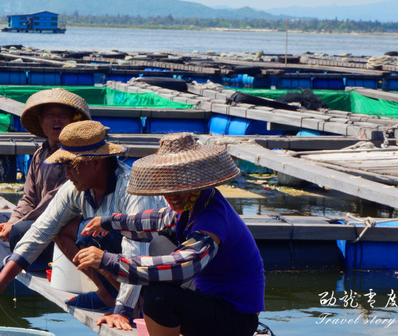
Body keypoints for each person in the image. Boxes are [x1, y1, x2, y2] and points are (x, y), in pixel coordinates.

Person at [0, 120, 167, 331]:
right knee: (67, 229)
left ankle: (132, 304)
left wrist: (123, 312)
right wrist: (2, 279)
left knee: (94, 236)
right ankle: (108, 294)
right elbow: (42, 230)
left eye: (71, 166)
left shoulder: (130, 188)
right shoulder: (75, 188)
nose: (67, 174)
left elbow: (137, 251)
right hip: (116, 260)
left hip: (155, 269)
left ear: (96, 163)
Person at [75, 132, 265, 336]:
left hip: (237, 318)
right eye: (167, 188)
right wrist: (107, 222)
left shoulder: (212, 218)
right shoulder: (196, 203)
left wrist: (109, 260)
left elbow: (182, 266)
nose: (171, 195)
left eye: (178, 187)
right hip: (209, 296)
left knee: (158, 297)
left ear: (197, 182)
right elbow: (157, 218)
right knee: (160, 243)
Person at [0, 88, 91, 267]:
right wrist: (13, 221)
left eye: (63, 115)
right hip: (37, 221)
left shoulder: (75, 155)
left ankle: (19, 260)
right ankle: (9, 262)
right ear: (40, 120)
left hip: (64, 225)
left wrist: (16, 225)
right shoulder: (40, 154)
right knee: (0, 219)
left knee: (19, 230)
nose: (57, 120)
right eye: (50, 115)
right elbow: (29, 198)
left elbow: (54, 202)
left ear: (72, 121)